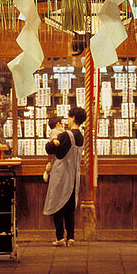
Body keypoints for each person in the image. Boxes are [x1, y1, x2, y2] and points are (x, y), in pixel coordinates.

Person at [43, 105, 86, 246]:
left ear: (73, 118)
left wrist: (52, 141)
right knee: (70, 206)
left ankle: (60, 237)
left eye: (68, 117)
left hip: (61, 174)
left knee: (57, 204)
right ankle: (71, 237)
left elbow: (49, 149)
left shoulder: (66, 135)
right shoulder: (81, 137)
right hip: (74, 175)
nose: (67, 120)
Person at [43, 113, 62, 183]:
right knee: (51, 163)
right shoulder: (55, 131)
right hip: (54, 151)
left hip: (54, 152)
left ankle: (47, 172)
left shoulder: (57, 131)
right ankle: (47, 172)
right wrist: (56, 141)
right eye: (61, 123)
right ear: (58, 124)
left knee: (51, 163)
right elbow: (55, 141)